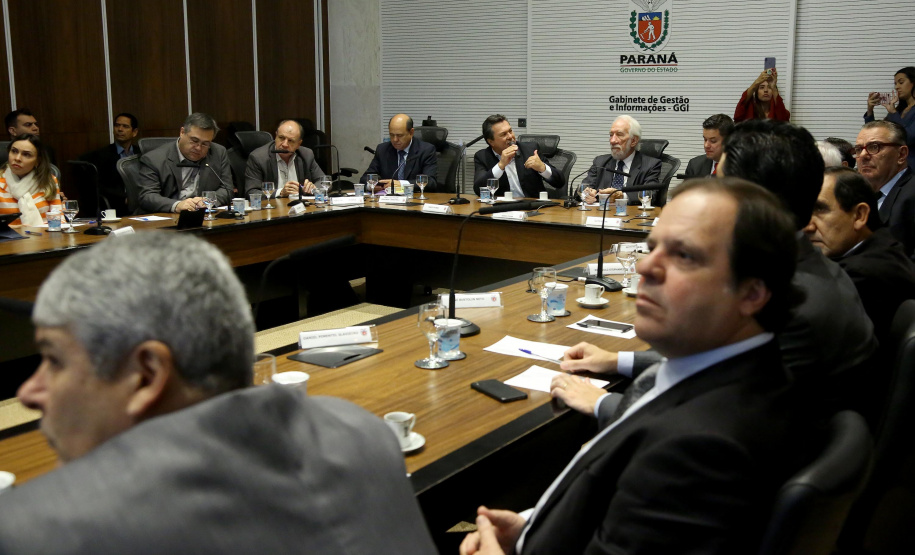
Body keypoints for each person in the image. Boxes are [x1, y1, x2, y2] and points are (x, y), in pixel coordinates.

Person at [0, 232, 436, 554]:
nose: (28, 392)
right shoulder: (359, 428)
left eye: (54, 360)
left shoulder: (32, 530)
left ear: (147, 373)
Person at [461, 178, 808, 555]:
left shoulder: (699, 449)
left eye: (684, 256)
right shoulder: (737, 370)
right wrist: (531, 526)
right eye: (653, 247)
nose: (645, 266)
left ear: (752, 293)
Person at [554, 120, 877, 423]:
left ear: (752, 197)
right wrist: (618, 361)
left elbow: (714, 419)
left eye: (719, 185)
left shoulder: (791, 303)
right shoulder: (801, 268)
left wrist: (599, 402)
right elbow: (714, 364)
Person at [805, 166, 915, 423]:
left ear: (860, 215)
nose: (807, 226)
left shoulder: (862, 275)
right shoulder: (882, 245)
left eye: (820, 209)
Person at [137, 112, 233, 214]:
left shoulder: (218, 152)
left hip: (202, 215)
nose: (198, 148)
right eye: (194, 140)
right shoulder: (154, 159)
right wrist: (176, 205)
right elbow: (147, 196)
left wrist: (206, 200)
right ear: (182, 132)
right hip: (167, 217)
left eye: (205, 144)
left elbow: (227, 189)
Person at [855, 120, 915, 258]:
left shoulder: (911, 194)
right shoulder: (858, 193)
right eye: (858, 149)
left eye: (874, 147)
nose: (863, 155)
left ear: (901, 154)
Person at [473, 114, 565, 198]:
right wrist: (500, 165)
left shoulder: (530, 150)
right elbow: (478, 189)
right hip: (501, 210)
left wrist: (542, 168)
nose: (510, 136)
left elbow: (560, 182)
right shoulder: (482, 156)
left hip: (533, 208)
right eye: (503, 134)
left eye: (510, 131)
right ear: (491, 141)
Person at [579, 115, 662, 205]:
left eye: (619, 135)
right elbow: (583, 188)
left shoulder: (650, 165)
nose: (612, 141)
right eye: (611, 135)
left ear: (633, 141)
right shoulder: (600, 162)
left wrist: (621, 196)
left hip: (631, 216)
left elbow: (650, 195)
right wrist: (587, 193)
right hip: (600, 214)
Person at [244, 119, 325, 199]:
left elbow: (323, 182)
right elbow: (251, 192)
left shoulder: (306, 154)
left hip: (300, 207)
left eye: (290, 141)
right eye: (281, 138)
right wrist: (280, 192)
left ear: (298, 144)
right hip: (273, 209)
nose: (285, 144)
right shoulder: (259, 157)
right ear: (276, 136)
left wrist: (313, 188)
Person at [79, 112, 141, 215]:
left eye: (125, 126)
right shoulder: (101, 156)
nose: (120, 129)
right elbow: (100, 186)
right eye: (117, 125)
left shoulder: (142, 154)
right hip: (115, 206)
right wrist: (124, 198)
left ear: (134, 132)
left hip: (141, 203)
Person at [361, 113, 437, 192]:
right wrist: (372, 185)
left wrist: (401, 184)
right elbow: (365, 178)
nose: (395, 140)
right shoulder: (383, 149)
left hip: (414, 200)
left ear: (411, 132)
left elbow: (431, 182)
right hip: (388, 201)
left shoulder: (426, 150)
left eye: (399, 135)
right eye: (391, 135)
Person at [0, 134, 61, 226]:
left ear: (38, 161)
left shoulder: (49, 181)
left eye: (26, 154)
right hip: (8, 239)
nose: (17, 158)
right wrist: (17, 230)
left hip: (43, 237)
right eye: (14, 151)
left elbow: (59, 220)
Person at [864, 67, 915, 168]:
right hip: (893, 167)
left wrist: (893, 113)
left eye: (901, 82)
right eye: (895, 84)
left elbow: (908, 138)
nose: (896, 87)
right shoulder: (898, 111)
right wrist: (870, 110)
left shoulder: (895, 113)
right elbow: (874, 134)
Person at [683, 113, 734, 178]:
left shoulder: (742, 168)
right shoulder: (695, 165)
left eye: (713, 141)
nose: (706, 145)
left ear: (729, 140)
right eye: (705, 139)